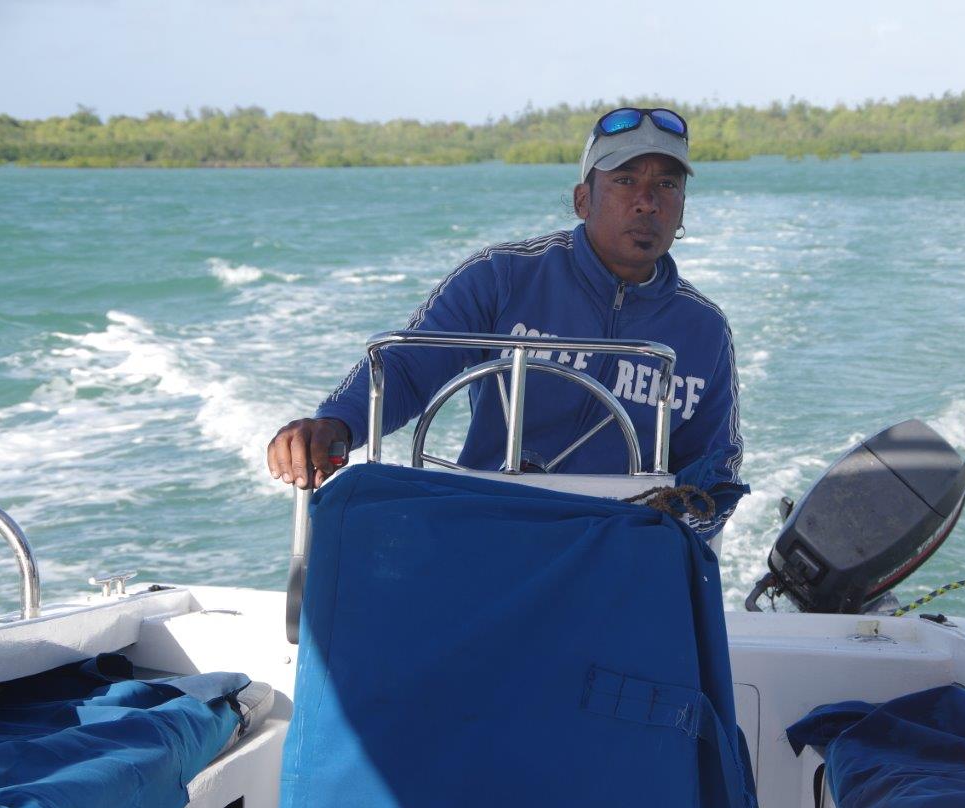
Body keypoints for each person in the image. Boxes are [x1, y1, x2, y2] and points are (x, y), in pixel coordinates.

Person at [266, 107, 744, 537]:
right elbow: (408, 368)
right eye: (624, 180)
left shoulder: (704, 331)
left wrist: (676, 531)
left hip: (619, 548)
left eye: (666, 184)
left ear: (681, 209)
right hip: (487, 528)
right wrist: (335, 425)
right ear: (583, 200)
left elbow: (715, 470)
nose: (647, 201)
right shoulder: (502, 277)